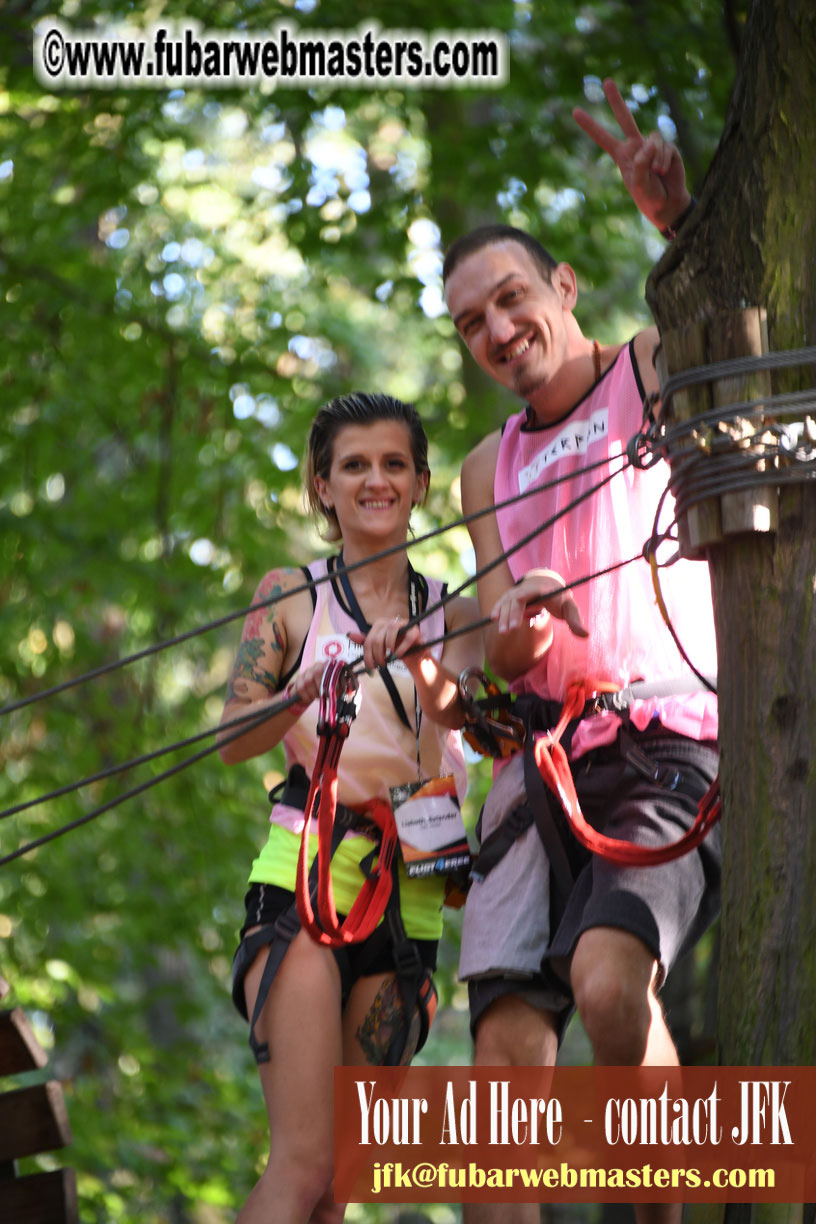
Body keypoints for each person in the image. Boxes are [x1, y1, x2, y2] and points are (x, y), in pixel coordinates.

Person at [442, 81, 719, 1224]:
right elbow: (504, 643)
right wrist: (513, 632)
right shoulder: (481, 468)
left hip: (661, 745)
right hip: (535, 773)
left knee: (611, 988)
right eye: (471, 323)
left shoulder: (647, 366)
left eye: (512, 299)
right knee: (502, 1070)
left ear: (561, 286)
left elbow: (732, 317)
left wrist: (678, 220)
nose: (499, 332)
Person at [218, 391, 482, 1224]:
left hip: (412, 889)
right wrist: (296, 692)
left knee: (343, 1184)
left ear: (422, 481)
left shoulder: (457, 612)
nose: (376, 480)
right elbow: (231, 737)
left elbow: (464, 721)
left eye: (394, 463)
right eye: (354, 465)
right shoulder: (291, 597)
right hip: (306, 874)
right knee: (302, 1164)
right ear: (321, 487)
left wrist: (425, 658)